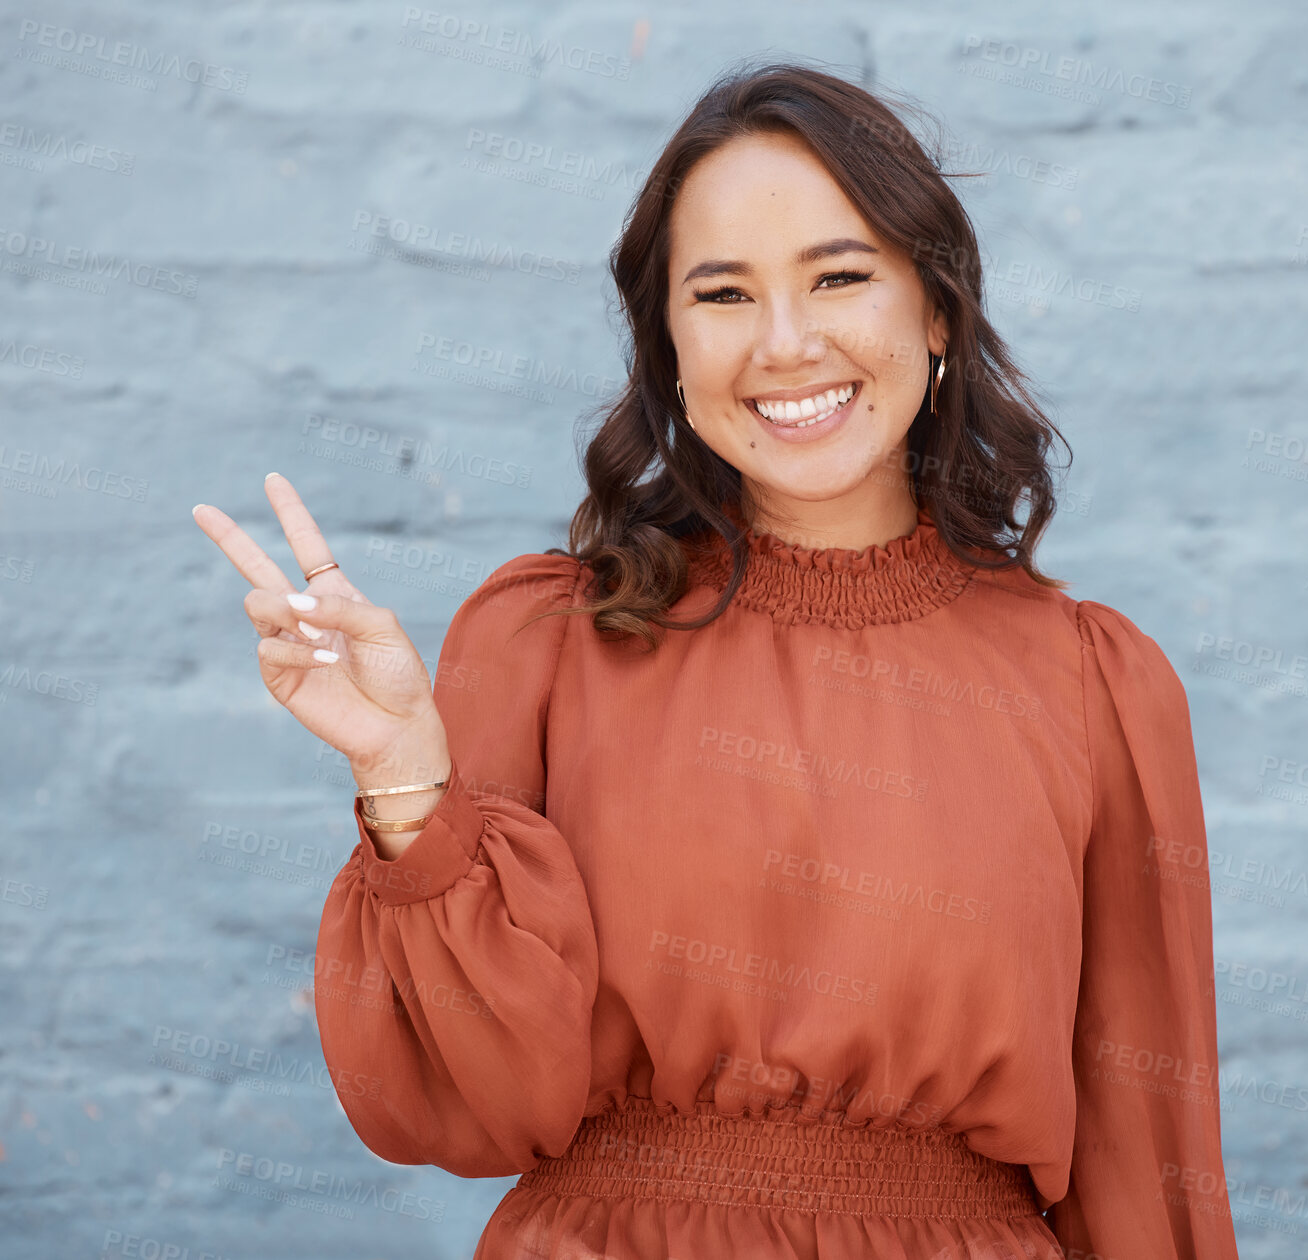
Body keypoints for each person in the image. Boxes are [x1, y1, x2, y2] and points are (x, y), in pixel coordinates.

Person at [193, 59, 1240, 1260]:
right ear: (670, 346)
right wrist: (404, 784)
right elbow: (469, 1108)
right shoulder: (545, 643)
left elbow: (1144, 1160)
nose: (785, 344)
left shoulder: (1095, 683)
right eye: (724, 295)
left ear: (934, 308)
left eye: (839, 278)